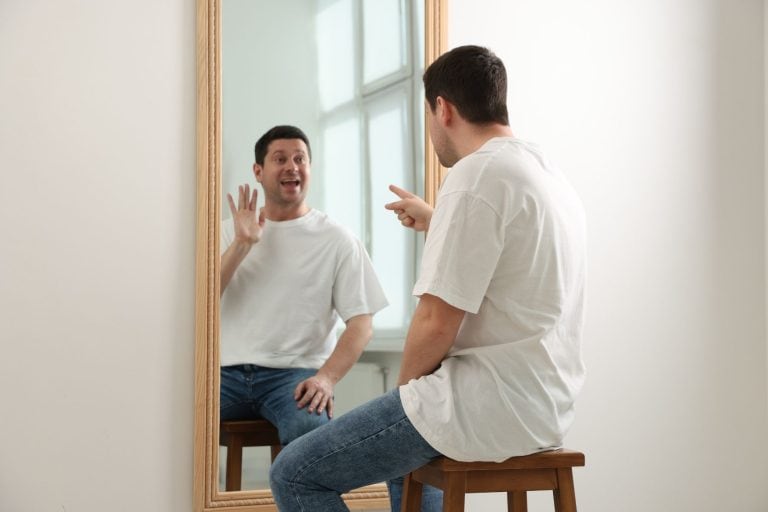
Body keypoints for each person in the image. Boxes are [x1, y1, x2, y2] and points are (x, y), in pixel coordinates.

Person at [269, 45, 587, 512]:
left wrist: (406, 397)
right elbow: (516, 262)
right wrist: (440, 220)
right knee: (406, 446)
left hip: (486, 402)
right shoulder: (546, 175)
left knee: (294, 474)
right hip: (545, 406)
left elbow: (436, 320)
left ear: (443, 108)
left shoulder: (474, 174)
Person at [219, 125, 388, 448]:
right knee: (164, 420)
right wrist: (242, 244)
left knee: (311, 437)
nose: (291, 167)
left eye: (300, 159)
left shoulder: (337, 238)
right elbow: (199, 302)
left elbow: (361, 324)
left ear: (309, 169)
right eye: (279, 158)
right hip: (224, 372)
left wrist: (326, 378)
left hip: (293, 376)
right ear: (258, 171)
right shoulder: (228, 231)